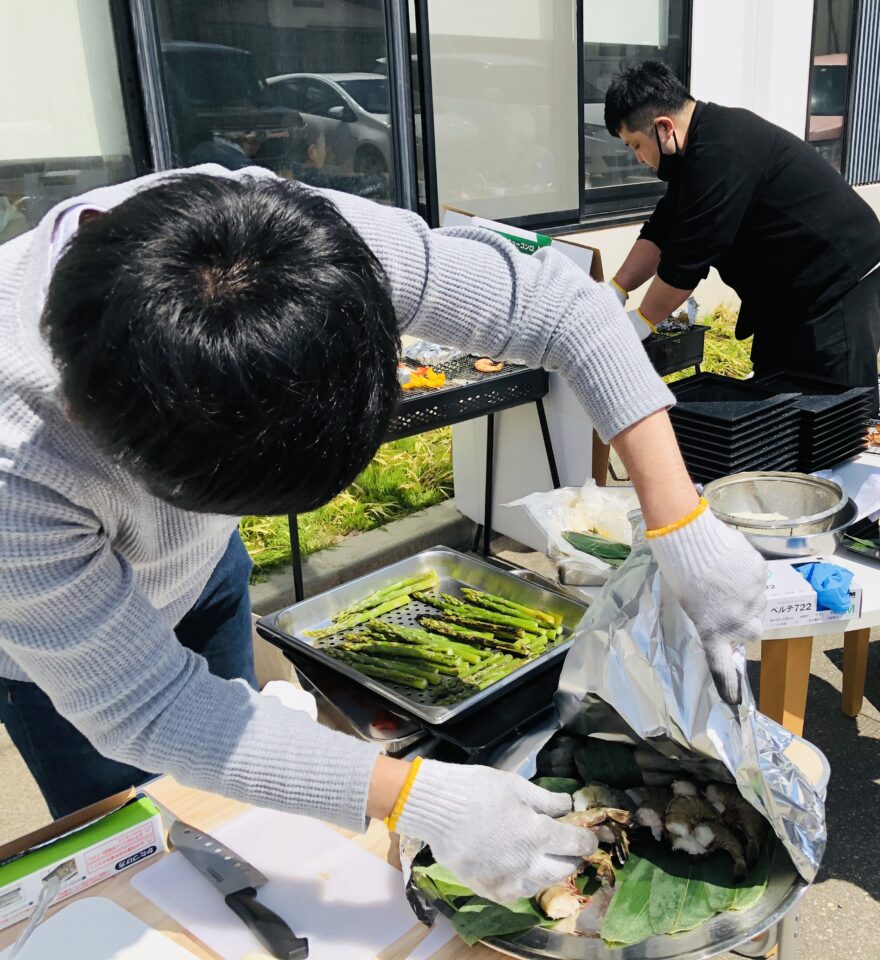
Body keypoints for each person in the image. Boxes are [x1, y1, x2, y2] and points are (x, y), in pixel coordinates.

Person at [0, 165, 765, 905]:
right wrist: (416, 798)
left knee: (233, 823)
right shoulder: (14, 467)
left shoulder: (276, 244)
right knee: (130, 862)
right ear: (80, 418)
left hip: (205, 576)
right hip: (50, 662)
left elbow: (564, 306)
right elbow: (147, 709)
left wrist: (682, 523)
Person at [602, 61, 880, 389]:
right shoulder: (695, 150)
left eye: (636, 145)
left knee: (831, 402)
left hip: (843, 281)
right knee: (773, 388)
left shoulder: (722, 151)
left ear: (664, 127)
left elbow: (686, 260)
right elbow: (663, 228)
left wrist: (641, 323)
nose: (639, 159)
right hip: (787, 291)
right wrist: (616, 289)